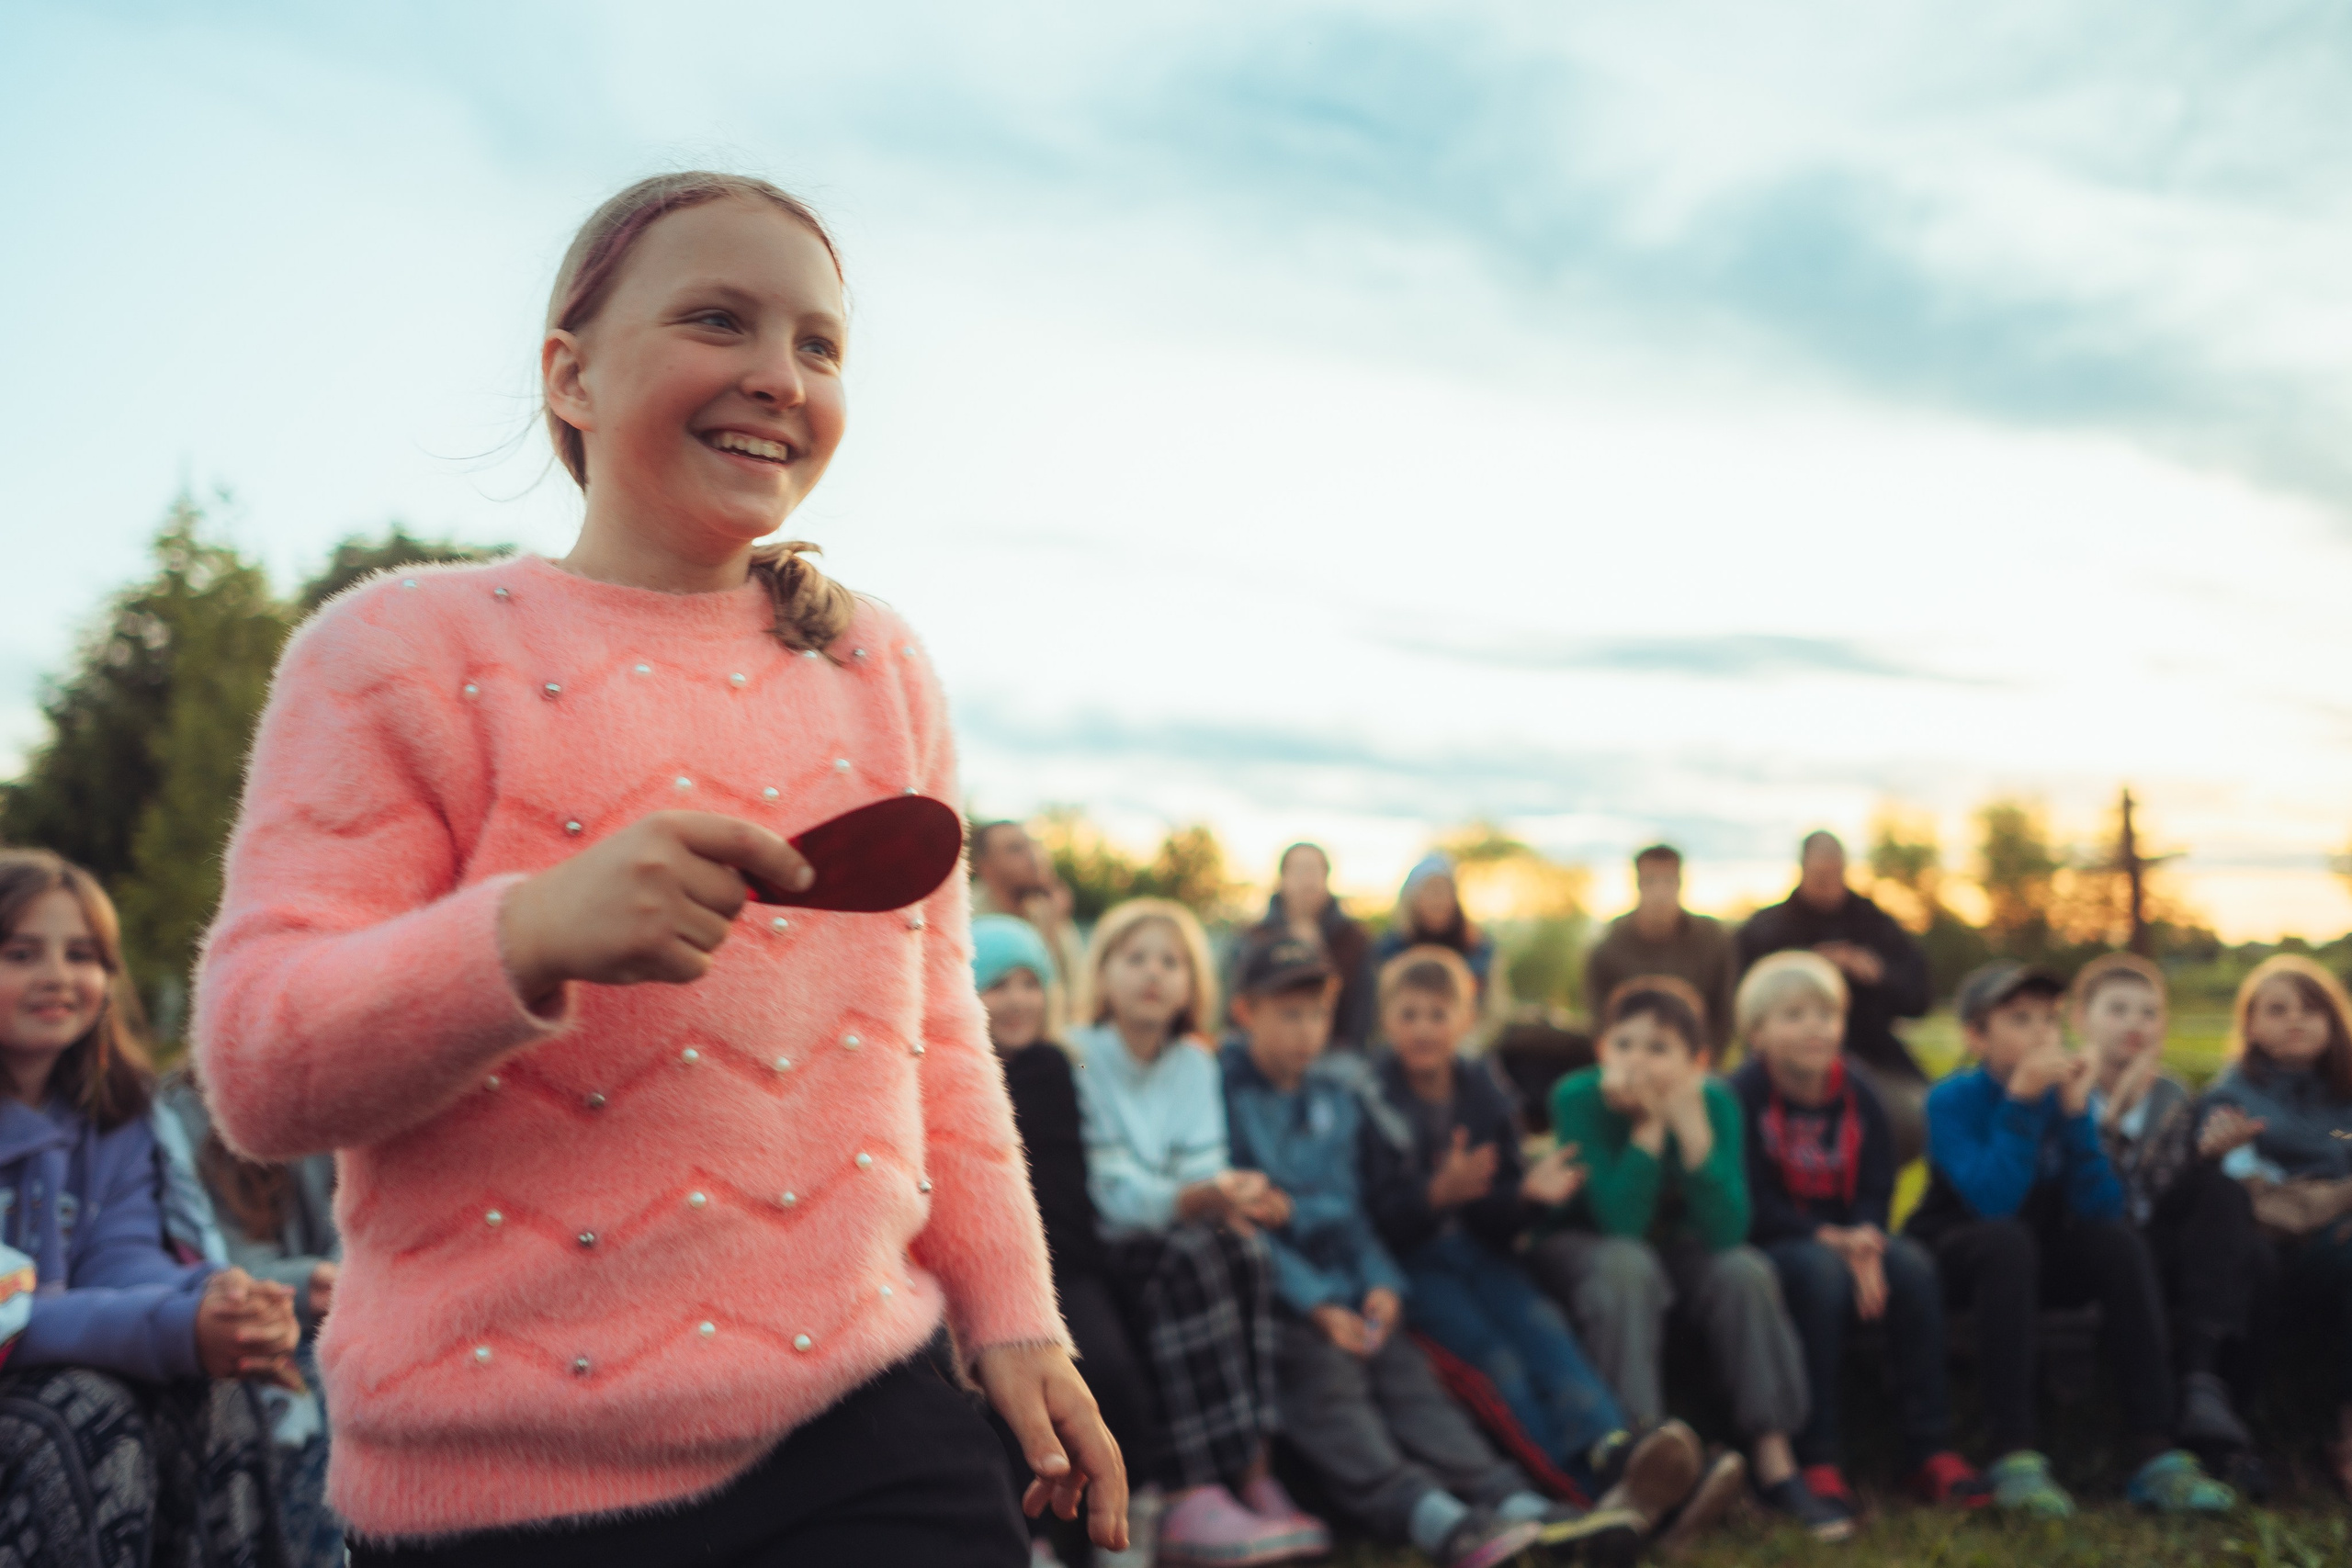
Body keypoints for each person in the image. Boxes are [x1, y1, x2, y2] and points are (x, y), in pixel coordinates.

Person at [193, 173, 1124, 1567]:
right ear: (569, 374)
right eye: (717, 318)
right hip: (499, 1478)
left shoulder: (876, 665)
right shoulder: (395, 653)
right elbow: (259, 1071)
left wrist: (1015, 1312)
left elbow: (934, 1035)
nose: (775, 375)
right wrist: (525, 936)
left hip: (866, 1426)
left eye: (818, 345)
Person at [1220, 937, 1630, 1566]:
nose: (1306, 1032)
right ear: (1245, 1012)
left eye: (1316, 1014)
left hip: (1354, 1282)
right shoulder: (1227, 1095)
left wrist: (1381, 1284)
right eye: (1287, 1014)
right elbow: (1248, 1228)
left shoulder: (1333, 1095)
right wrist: (1321, 1303)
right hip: (1279, 1294)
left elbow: (1353, 1211)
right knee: (1331, 1382)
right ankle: (1436, 1520)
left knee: (1409, 1377)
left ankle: (1515, 1502)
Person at [0, 848, 303, 1568]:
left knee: (217, 1393)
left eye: (82, 954)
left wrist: (218, 1299)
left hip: (50, 1364)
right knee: (83, 1411)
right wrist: (173, 1326)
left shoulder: (115, 1114)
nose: (56, 976)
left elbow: (120, 1259)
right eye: (19, 952)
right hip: (32, 1382)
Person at [1359, 945, 1704, 1541]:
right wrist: (1434, 1196)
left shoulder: (1482, 1088)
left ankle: (1615, 1452)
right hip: (1416, 1267)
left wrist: (1524, 1198)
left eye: (1437, 1014)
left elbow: (1496, 1210)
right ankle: (1583, 1494)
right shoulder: (1371, 1099)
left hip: (1485, 1254)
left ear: (1466, 1018)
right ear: (1385, 1021)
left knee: (1545, 1332)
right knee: (1497, 1364)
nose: (1422, 1028)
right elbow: (1371, 1216)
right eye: (1408, 1014)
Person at [1903, 962, 2233, 1518]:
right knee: (2007, 1243)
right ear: (1976, 1037)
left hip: (2036, 1250)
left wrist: (2078, 1117)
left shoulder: (2064, 1096)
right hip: (1962, 1252)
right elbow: (1993, 1202)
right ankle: (2014, 1454)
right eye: (2020, 1020)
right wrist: (2021, 1104)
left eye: (2051, 1021)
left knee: (2117, 1244)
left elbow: (2102, 1207)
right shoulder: (1953, 1100)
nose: (2042, 1035)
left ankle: (2155, 1452)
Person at [1525, 977, 1838, 1543]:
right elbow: (1619, 1221)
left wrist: (1690, 1129)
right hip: (1585, 1246)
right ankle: (1643, 1460)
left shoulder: (1716, 1103)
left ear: (1698, 1063)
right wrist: (1648, 1129)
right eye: (1624, 1045)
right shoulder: (1578, 1097)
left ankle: (1776, 1461)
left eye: (1658, 1048)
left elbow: (1727, 1232)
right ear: (1601, 1050)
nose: (1637, 1061)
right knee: (1628, 1264)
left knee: (1745, 1271)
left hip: (1676, 1248)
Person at [1070, 899, 1326, 1565]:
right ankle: (1189, 1485)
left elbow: (1202, 1159)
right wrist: (1194, 1196)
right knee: (1193, 1256)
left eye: (1171, 960)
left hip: (1175, 1224)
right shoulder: (1082, 1056)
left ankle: (1249, 1468)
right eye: (1135, 958)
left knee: (1244, 1248)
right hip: (1112, 1248)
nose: (1154, 973)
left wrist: (1226, 1192)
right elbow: (1110, 1195)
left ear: (1192, 983)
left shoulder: (1193, 1061)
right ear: (1103, 975)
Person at [1727, 952, 1984, 1520]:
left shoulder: (1859, 1090)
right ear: (1757, 1033)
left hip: (1852, 1236)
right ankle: (1817, 1452)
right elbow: (1751, 1200)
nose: (1817, 1027)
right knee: (1818, 1278)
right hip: (1779, 1239)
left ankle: (1928, 1447)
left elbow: (1877, 1180)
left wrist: (1866, 1236)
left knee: (1913, 1269)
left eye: (1828, 1014)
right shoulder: (1741, 1096)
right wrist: (1830, 1240)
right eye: (1795, 1015)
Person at [972, 914, 1156, 1568]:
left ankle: (1128, 1516)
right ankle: (1036, 1539)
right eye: (998, 985)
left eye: (1031, 982)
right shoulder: (965, 1078)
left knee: (1109, 1369)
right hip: (993, 1272)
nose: (1019, 999)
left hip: (1069, 1267)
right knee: (1004, 1398)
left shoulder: (1055, 1064)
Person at [2073, 953, 2269, 1489]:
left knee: (2224, 1195)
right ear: (2081, 1020)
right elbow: (2097, 1203)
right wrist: (2112, 1124)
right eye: (2118, 1010)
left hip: (2154, 1239)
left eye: (2149, 1013)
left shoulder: (2173, 1094)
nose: (2136, 1024)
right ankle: (2208, 1428)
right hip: (2092, 1248)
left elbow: (2158, 1198)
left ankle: (2207, 1388)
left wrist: (2205, 1157)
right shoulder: (2063, 1091)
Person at [160, 1064, 348, 1567]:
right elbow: (208, 1255)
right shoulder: (182, 1111)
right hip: (254, 1320)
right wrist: (310, 1283)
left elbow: (371, 1218)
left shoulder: (362, 1086)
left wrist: (351, 1274)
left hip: (349, 1312)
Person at [2198, 955, 2352, 1495]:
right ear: (2250, 1025)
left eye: (2312, 1009)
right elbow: (2240, 1192)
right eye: (2278, 1009)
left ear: (2334, 1022)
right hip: (2276, 1257)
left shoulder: (2346, 1103)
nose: (2296, 1020)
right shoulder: (2230, 1099)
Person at [1736, 832, 1931, 1166]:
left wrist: (1877, 973)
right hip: (1779, 1063)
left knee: (1919, 1115)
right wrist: (1804, 967)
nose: (1828, 881)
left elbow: (1919, 997)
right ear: (1803, 868)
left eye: (1835, 872)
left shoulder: (1877, 926)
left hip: (1874, 1057)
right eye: (1820, 872)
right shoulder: (1766, 928)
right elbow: (1741, 997)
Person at [1583, 846, 1736, 1052]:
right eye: (1650, 881)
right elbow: (1599, 1020)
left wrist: (1703, 1064)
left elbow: (1725, 1013)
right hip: (1631, 1061)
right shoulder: (1609, 945)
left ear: (1680, 884)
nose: (1660, 893)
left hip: (1695, 1062)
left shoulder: (1713, 940)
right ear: (1637, 884)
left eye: (1669, 881)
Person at [1231, 844, 1374, 1055]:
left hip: (1335, 1055)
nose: (1307, 881)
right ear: (1282, 880)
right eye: (1299, 871)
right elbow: (1236, 1002)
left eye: (1315, 871)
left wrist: (1317, 955)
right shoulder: (1254, 937)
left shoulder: (1354, 940)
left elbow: (1360, 1017)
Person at [972, 821, 1087, 1033]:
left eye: (1033, 846)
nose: (1034, 857)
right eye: (1015, 850)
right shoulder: (966, 919)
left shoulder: (1050, 916)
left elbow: (1075, 1004)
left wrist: (1050, 931)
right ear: (986, 868)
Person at [1374, 858, 1500, 1024]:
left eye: (1443, 890)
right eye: (1430, 890)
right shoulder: (1389, 950)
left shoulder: (1480, 949)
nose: (1437, 899)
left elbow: (1496, 1009)